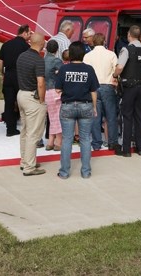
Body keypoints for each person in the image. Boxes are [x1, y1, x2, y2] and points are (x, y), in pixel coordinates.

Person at [55, 42, 99, 179]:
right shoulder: (89, 69)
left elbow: (57, 89)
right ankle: (85, 172)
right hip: (85, 105)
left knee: (67, 139)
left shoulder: (64, 69)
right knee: (85, 139)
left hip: (68, 105)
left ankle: (64, 172)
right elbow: (93, 91)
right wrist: (94, 107)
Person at [114, 25, 141, 157]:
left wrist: (115, 76)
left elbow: (120, 67)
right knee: (140, 117)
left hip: (129, 87)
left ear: (129, 35)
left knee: (127, 117)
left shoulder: (126, 49)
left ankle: (126, 150)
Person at [16, 33, 48, 176]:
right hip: (32, 98)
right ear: (41, 43)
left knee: (25, 131)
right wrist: (42, 100)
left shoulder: (22, 56)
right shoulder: (38, 59)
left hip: (21, 94)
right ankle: (29, 166)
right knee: (33, 134)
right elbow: (41, 83)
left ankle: (26, 161)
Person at [84, 33, 120, 151]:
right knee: (111, 116)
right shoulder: (111, 54)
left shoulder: (88, 56)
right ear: (104, 41)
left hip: (93, 88)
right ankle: (112, 142)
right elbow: (117, 71)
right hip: (108, 87)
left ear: (93, 42)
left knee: (95, 117)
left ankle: (96, 144)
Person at [0, 24, 31, 136]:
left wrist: (2, 73)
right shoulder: (26, 47)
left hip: (8, 74)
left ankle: (10, 128)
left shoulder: (6, 44)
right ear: (25, 33)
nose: (30, 36)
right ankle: (26, 126)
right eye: (29, 33)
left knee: (9, 102)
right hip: (20, 76)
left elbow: (0, 60)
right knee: (24, 100)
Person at [44, 39, 63, 151]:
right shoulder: (57, 61)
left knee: (51, 117)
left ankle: (50, 141)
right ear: (57, 50)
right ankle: (58, 141)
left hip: (45, 91)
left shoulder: (42, 60)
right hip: (54, 91)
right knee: (58, 117)